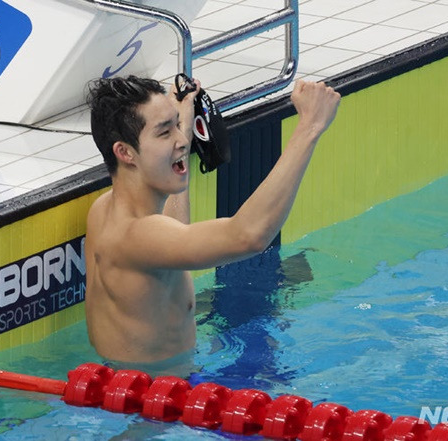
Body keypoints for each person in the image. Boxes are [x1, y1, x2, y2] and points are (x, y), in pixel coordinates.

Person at [85, 74, 341, 375]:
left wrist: (184, 119)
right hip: (160, 408)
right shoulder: (135, 236)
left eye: (176, 126)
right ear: (125, 152)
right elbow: (248, 236)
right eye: (165, 133)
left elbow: (169, 236)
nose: (181, 140)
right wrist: (310, 127)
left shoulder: (106, 209)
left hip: (137, 388)